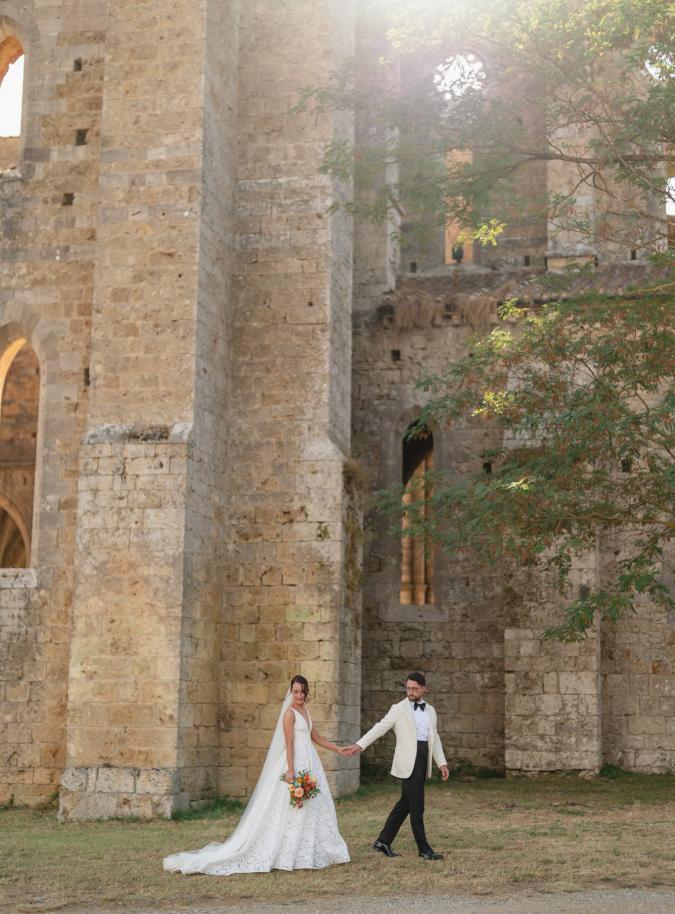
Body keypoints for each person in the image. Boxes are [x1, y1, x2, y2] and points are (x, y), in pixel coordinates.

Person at [163, 675, 350, 875]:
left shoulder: (305, 711)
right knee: (293, 806)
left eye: (302, 691)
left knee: (313, 805)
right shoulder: (290, 714)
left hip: (311, 761)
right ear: (291, 692)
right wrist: (291, 770)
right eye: (295, 691)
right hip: (296, 762)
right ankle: (289, 852)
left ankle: (309, 851)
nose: (299, 695)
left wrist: (337, 749)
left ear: (306, 692)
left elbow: (315, 736)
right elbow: (289, 743)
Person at [346, 671, 449, 860]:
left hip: (422, 758)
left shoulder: (431, 711)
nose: (410, 692)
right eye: (408, 688)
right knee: (417, 806)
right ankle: (424, 849)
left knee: (405, 804)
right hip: (407, 762)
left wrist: (441, 763)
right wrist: (360, 745)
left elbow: (435, 738)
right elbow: (380, 727)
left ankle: (383, 841)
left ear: (424, 689)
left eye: (415, 689)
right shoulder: (399, 708)